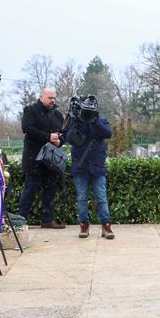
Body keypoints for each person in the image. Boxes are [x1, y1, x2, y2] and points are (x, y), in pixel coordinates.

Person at [65, 95, 115, 239]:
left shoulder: (101, 121)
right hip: (80, 167)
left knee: (102, 198)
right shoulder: (76, 121)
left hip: (97, 167)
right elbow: (70, 139)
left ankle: (106, 227)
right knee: (81, 198)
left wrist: (95, 120)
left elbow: (108, 133)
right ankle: (84, 226)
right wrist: (78, 119)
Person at [17, 87, 66, 229]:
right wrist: (47, 137)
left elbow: (63, 134)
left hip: (50, 160)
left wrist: (60, 141)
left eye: (54, 98)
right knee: (30, 190)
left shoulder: (57, 115)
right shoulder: (30, 110)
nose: (52, 100)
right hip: (34, 159)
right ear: (41, 97)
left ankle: (47, 220)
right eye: (49, 98)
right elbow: (27, 129)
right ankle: (21, 220)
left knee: (50, 190)